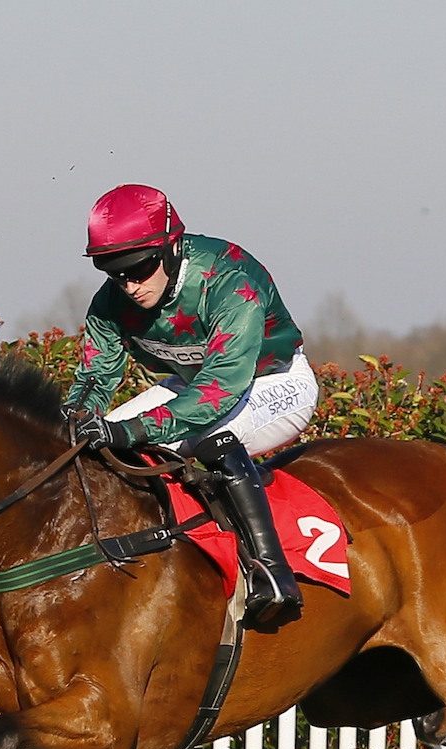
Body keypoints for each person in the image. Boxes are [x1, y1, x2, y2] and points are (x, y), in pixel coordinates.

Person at [62, 183, 315, 628]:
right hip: (194, 384)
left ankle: (271, 576)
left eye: (139, 268)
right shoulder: (110, 303)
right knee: (96, 453)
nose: (130, 285)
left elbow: (220, 388)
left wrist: (131, 431)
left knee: (206, 442)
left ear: (172, 245)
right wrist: (74, 421)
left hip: (275, 381)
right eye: (114, 272)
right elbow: (96, 377)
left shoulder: (231, 278)